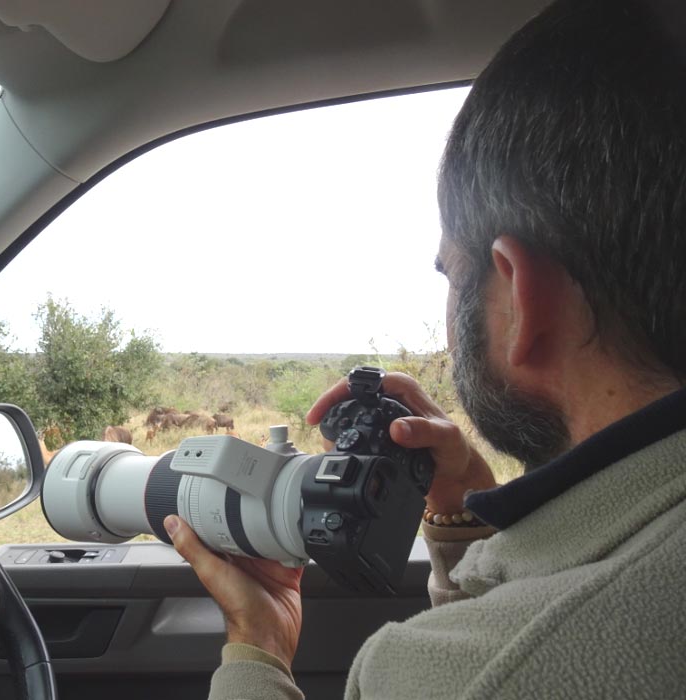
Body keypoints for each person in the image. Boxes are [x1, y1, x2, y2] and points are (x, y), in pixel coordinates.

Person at [163, 0, 686, 697]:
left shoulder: (440, 675)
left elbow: (509, 656)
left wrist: (256, 650)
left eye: (453, 273)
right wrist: (464, 511)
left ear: (521, 299)